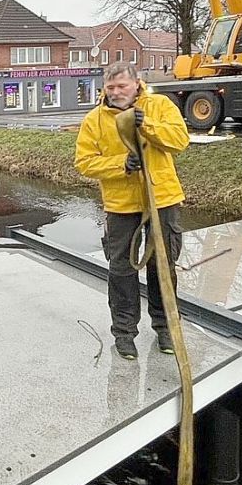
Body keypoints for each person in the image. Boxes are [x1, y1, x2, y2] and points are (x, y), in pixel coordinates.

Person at [74, 62, 189, 360]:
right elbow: (84, 162)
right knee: (121, 269)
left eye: (122, 86)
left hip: (161, 200)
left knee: (162, 266)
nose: (116, 92)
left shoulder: (160, 106)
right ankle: (124, 333)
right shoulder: (95, 120)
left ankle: (165, 328)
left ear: (137, 83)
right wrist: (120, 165)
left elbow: (180, 141)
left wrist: (146, 125)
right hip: (121, 206)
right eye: (110, 87)